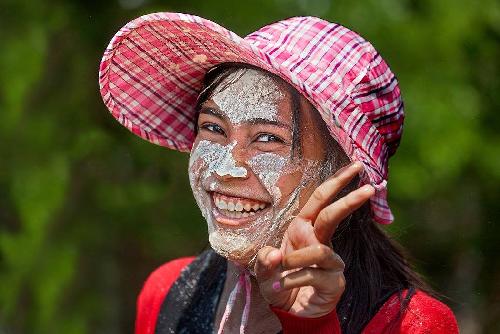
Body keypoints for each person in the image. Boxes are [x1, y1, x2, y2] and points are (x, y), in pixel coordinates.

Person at [99, 12, 459, 334]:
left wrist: (312, 325)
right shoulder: (167, 292)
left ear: (346, 173)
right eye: (213, 128)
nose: (225, 168)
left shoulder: (412, 324)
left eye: (268, 138)